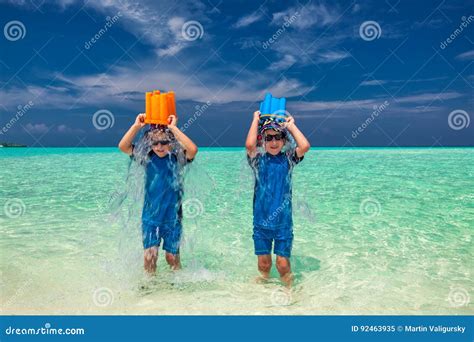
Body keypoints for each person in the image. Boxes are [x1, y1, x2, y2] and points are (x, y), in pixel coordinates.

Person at [118, 113, 198, 274]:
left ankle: (177, 287)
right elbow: (123, 146)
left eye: (164, 142)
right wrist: (136, 126)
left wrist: (173, 128)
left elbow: (193, 149)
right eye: (155, 142)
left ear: (171, 141)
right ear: (149, 142)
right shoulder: (146, 158)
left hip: (173, 218)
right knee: (150, 257)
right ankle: (150, 291)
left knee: (172, 257)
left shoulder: (177, 159)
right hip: (150, 217)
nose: (159, 146)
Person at [245, 111, 310, 286]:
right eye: (269, 138)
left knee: (282, 264)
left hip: (283, 223)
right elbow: (250, 145)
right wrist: (255, 120)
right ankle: (263, 291)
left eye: (278, 138)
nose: (273, 142)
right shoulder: (258, 161)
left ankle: (289, 291)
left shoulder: (288, 159)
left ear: (284, 140)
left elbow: (304, 146)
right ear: (263, 141)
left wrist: (290, 126)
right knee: (263, 264)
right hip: (261, 222)